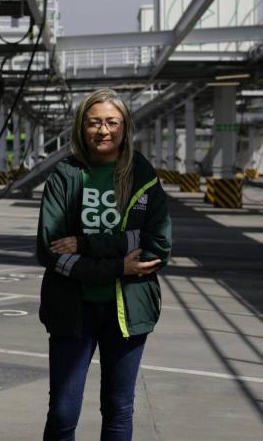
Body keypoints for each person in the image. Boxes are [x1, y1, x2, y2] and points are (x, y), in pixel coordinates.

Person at [36, 88, 172, 441]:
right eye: (94, 122)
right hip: (72, 308)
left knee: (118, 410)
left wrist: (85, 243)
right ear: (81, 128)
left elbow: (158, 247)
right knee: (63, 412)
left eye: (112, 122)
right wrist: (118, 264)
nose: (103, 130)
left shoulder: (143, 175)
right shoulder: (64, 176)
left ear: (125, 127)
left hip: (128, 310)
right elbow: (50, 252)